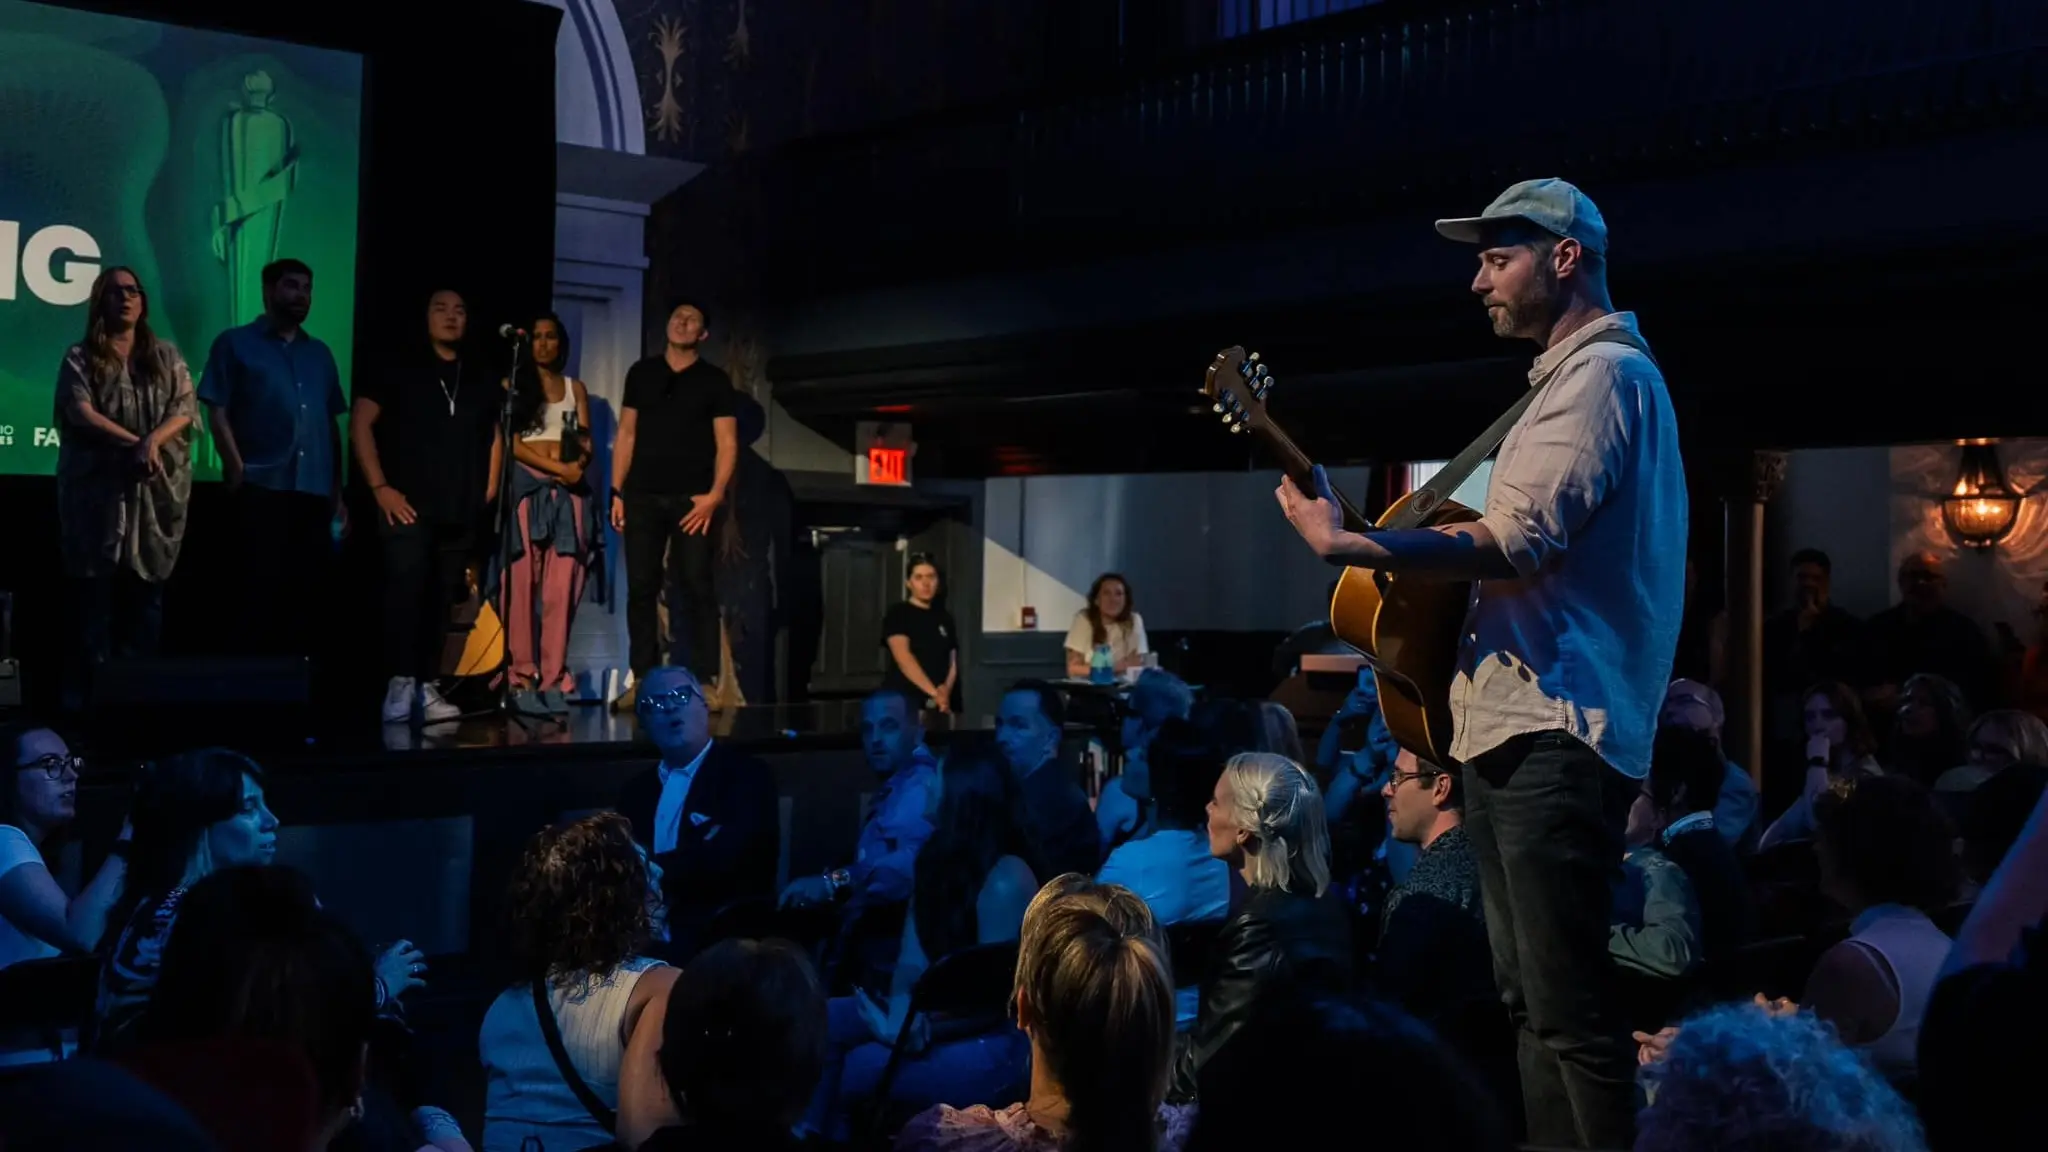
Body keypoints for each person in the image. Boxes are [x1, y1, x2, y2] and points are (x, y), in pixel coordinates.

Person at [1275, 178, 1685, 1147]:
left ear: (1564, 257)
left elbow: (1519, 539)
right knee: (1531, 1004)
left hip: (1553, 732)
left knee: (1565, 1009)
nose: (1477, 281)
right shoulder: (1570, 382)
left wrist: (1354, 545)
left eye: (1497, 258)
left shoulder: (1602, 377)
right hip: (1520, 728)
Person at [351, 289, 501, 726]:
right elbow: (360, 423)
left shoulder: (479, 375)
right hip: (408, 506)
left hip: (459, 506)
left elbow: (495, 433)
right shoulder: (399, 366)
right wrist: (379, 487)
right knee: (406, 593)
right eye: (441, 309)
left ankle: (428, 685)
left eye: (460, 310)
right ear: (426, 317)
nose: (451, 317)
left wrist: (489, 487)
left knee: (442, 597)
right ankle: (399, 683)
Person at [198, 258, 348, 661]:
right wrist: (235, 466)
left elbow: (330, 424)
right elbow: (216, 409)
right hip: (261, 488)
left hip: (313, 493)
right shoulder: (235, 343)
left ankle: (296, 689)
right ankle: (245, 687)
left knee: (306, 600)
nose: (301, 295)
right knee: (255, 596)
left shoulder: (320, 354)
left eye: (307, 288)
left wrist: (337, 492)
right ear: (268, 291)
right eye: (292, 286)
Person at [54, 266, 196, 688]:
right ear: (100, 301)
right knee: (93, 606)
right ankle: (89, 698)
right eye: (116, 291)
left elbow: (185, 409)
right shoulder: (80, 357)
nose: (127, 297)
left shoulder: (166, 356)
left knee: (145, 605)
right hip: (97, 501)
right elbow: (81, 412)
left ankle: (138, 697)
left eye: (134, 290)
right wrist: (137, 443)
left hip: (154, 500)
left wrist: (153, 441)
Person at [613, 302, 738, 702]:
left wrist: (715, 495)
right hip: (642, 494)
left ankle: (705, 681)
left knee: (697, 584)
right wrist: (617, 491)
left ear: (703, 334)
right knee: (641, 587)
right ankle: (642, 679)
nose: (682, 322)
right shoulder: (642, 373)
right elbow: (626, 434)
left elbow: (727, 442)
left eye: (692, 319)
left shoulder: (714, 381)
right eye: (677, 316)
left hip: (692, 500)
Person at [616, 666, 780, 954]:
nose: (670, 707)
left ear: (705, 706)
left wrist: (651, 872)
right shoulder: (635, 793)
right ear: (642, 722)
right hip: (639, 940)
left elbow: (729, 861)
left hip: (722, 941)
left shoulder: (746, 776)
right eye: (655, 703)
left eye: (681, 696)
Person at [501, 313, 599, 716]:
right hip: (528, 491)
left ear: (561, 343)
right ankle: (521, 677)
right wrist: (557, 467)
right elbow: (513, 444)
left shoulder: (575, 388)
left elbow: (583, 440)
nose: (543, 343)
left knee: (561, 589)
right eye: (537, 337)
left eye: (551, 336)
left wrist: (575, 465)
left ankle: (554, 678)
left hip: (567, 495)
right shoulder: (512, 386)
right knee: (521, 586)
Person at [882, 556, 959, 714]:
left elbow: (952, 662)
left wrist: (945, 692)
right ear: (908, 583)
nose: (926, 583)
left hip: (941, 703)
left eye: (931, 577)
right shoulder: (898, 613)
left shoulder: (945, 617)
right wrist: (933, 692)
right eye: (918, 577)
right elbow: (903, 657)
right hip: (906, 700)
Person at [1063, 574, 1148, 679]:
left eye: (1118, 594)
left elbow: (1138, 663)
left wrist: (1097, 668)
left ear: (1126, 600)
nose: (1113, 599)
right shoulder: (1084, 619)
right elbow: (1073, 669)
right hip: (1090, 686)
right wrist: (1115, 667)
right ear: (1096, 600)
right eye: (1106, 593)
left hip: (1125, 686)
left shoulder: (1134, 620)